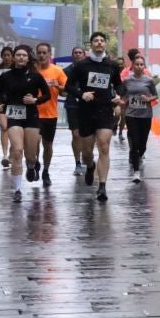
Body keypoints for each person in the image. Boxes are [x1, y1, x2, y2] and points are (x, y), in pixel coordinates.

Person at [65, 32, 121, 202]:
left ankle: (102, 186)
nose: (99, 43)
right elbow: (68, 86)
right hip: (86, 111)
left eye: (102, 41)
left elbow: (119, 85)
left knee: (104, 146)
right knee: (87, 153)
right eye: (95, 41)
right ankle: (90, 166)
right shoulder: (81, 65)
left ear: (105, 44)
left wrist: (119, 96)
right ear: (91, 44)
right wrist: (81, 94)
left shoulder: (112, 65)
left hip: (105, 110)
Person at [0, 45, 49, 199]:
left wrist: (35, 100)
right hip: (13, 116)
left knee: (30, 155)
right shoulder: (6, 76)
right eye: (18, 55)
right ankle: (17, 190)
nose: (21, 57)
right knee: (17, 151)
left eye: (24, 55)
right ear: (14, 57)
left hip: (31, 116)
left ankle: (31, 166)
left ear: (28, 58)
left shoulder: (35, 76)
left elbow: (47, 95)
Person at [118, 49, 159, 183]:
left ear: (144, 66)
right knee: (134, 142)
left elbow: (155, 95)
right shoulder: (127, 80)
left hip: (145, 115)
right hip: (131, 114)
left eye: (142, 64)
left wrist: (148, 99)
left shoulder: (149, 80)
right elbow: (122, 95)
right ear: (133, 66)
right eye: (137, 64)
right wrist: (121, 101)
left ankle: (138, 155)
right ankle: (136, 172)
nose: (139, 66)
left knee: (143, 144)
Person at [33, 43, 66, 186]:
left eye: (44, 53)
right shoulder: (32, 71)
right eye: (39, 53)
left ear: (49, 55)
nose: (41, 55)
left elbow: (65, 92)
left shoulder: (57, 71)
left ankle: (46, 171)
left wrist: (59, 87)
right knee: (34, 141)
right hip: (34, 113)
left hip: (50, 114)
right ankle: (35, 162)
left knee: (47, 144)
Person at [0, 46, 15, 165]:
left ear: (12, 56)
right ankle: (5, 155)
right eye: (4, 55)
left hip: (14, 101)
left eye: (8, 55)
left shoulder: (17, 68)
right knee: (4, 127)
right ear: (1, 56)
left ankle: (12, 152)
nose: (6, 57)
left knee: (13, 128)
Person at [66, 45, 88, 176]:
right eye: (76, 52)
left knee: (87, 135)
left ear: (84, 55)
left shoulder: (90, 68)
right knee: (76, 134)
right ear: (72, 55)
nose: (78, 54)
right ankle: (77, 163)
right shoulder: (66, 70)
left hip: (88, 105)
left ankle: (87, 157)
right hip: (72, 105)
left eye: (80, 52)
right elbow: (63, 88)